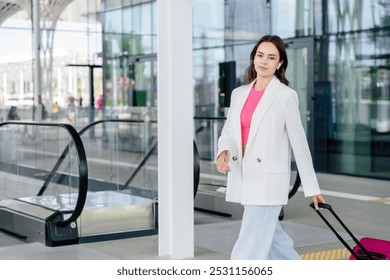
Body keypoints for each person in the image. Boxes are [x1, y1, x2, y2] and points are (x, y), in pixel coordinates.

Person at [215, 35, 325, 260]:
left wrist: (312, 188)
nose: (264, 61)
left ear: (280, 63)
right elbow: (228, 130)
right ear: (254, 58)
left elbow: (299, 144)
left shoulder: (285, 96)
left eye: (271, 57)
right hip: (245, 175)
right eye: (260, 55)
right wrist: (222, 152)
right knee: (276, 243)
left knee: (250, 243)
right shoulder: (239, 93)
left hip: (268, 180)